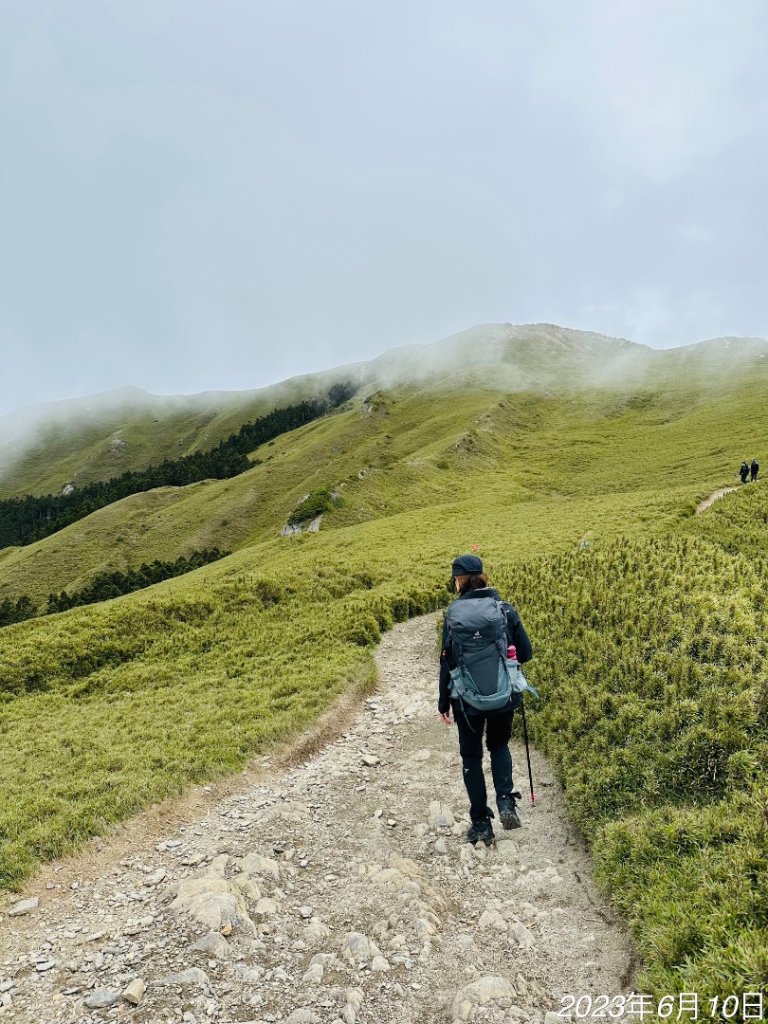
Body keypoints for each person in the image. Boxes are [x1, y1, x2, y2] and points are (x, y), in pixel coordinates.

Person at [438, 554, 533, 845]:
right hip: (504, 695)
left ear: (459, 581)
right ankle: (506, 801)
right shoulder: (505, 609)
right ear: (482, 576)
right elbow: (526, 653)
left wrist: (443, 701)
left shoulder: (453, 615)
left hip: (466, 701)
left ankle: (481, 823)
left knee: (471, 757)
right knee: (499, 745)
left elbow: (447, 661)